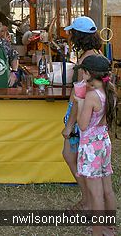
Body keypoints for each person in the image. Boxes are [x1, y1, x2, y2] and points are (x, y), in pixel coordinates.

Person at [62, 15, 102, 211]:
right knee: (78, 157)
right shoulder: (97, 55)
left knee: (71, 156)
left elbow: (79, 98)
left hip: (80, 113)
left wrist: (69, 125)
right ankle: (88, 200)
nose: (70, 36)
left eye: (72, 33)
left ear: (78, 36)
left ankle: (88, 202)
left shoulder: (85, 62)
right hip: (94, 114)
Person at [74, 55, 117, 236]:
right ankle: (109, 227)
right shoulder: (111, 91)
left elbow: (83, 125)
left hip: (91, 147)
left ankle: (97, 232)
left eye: (83, 71)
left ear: (88, 74)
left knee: (96, 193)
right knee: (107, 188)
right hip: (104, 143)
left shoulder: (91, 96)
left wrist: (80, 102)